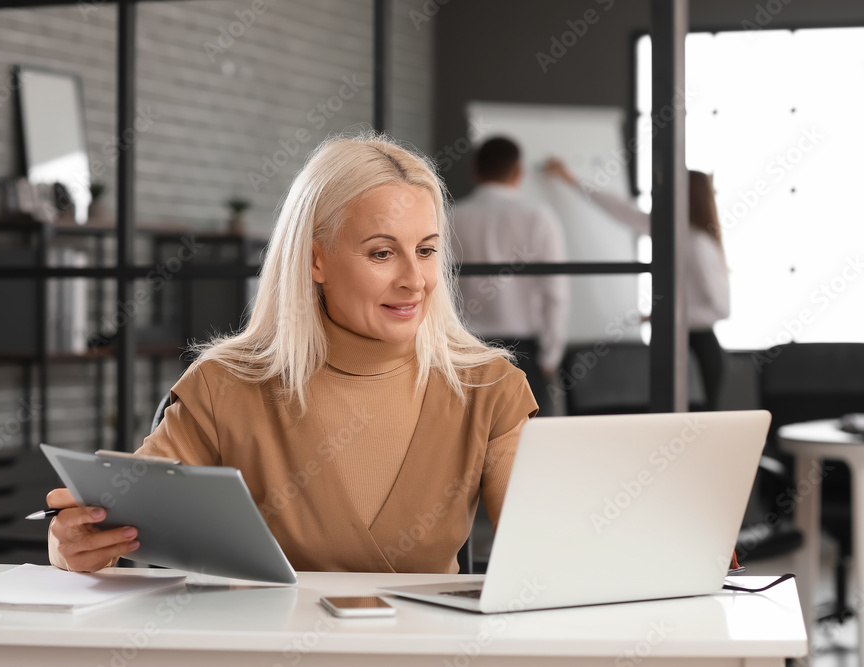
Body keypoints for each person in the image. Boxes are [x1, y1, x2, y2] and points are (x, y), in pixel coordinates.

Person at [47, 133, 539, 575]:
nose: (414, 279)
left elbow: (546, 551)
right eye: (382, 253)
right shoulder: (226, 386)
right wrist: (69, 542)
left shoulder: (488, 389)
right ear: (314, 259)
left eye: (427, 251)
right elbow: (113, 520)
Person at [544, 158, 729, 409]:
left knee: (699, 422)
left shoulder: (697, 243)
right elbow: (620, 209)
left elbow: (721, 308)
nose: (659, 195)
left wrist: (664, 316)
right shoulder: (673, 232)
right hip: (676, 343)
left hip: (698, 347)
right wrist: (573, 180)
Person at [451, 137, 568, 416]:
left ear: (475, 171)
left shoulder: (451, 216)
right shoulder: (539, 217)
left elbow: (443, 285)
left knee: (468, 447)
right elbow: (556, 291)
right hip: (524, 352)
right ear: (518, 173)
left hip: (468, 349)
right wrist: (551, 355)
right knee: (528, 447)